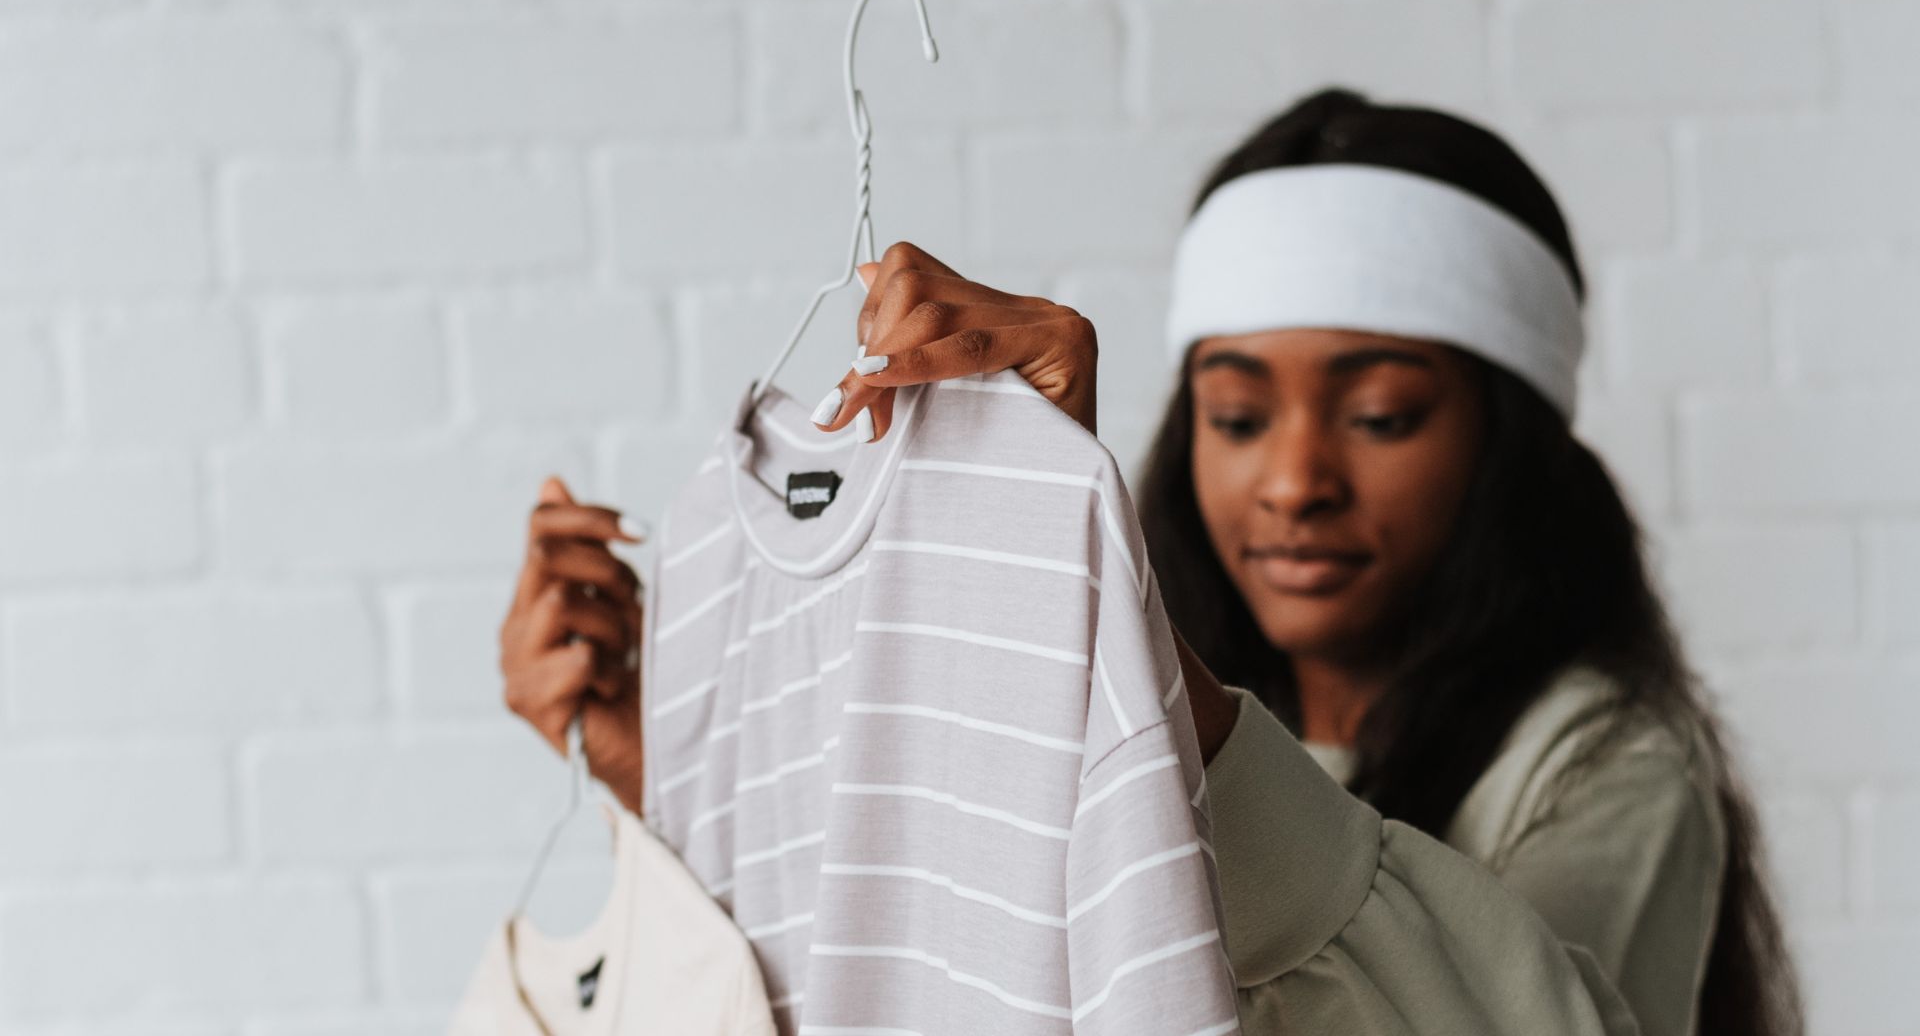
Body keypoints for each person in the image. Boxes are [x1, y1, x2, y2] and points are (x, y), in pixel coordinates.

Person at [498, 88, 1800, 1035]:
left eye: (1381, 414)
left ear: (1507, 448)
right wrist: (649, 771)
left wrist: (1088, 602)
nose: (1293, 479)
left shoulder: (1603, 764)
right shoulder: (1131, 684)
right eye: (1237, 417)